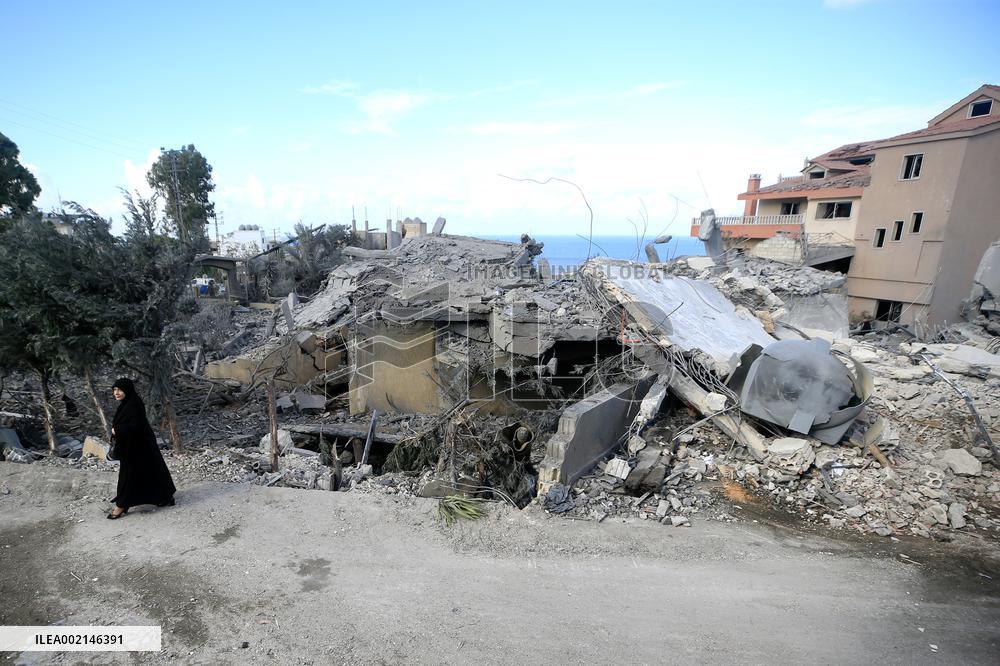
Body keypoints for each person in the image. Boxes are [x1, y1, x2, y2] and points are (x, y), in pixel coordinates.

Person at [108, 378, 176, 519]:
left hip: (139, 447)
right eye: (114, 390)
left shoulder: (134, 404)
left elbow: (136, 426)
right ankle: (165, 496)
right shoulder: (127, 403)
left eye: (119, 389)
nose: (116, 393)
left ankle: (121, 505)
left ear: (127, 390)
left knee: (130, 475)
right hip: (137, 446)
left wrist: (117, 430)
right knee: (149, 472)